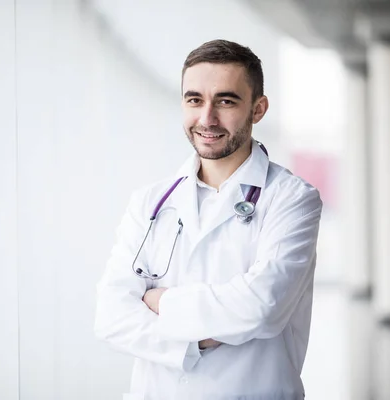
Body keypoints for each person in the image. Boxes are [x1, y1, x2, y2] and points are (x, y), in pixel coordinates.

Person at [94, 39, 323, 400]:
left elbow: (262, 308)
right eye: (194, 99)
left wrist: (161, 302)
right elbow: (110, 317)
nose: (207, 118)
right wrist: (195, 341)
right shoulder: (149, 203)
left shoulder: (293, 199)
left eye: (226, 101)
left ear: (258, 109)